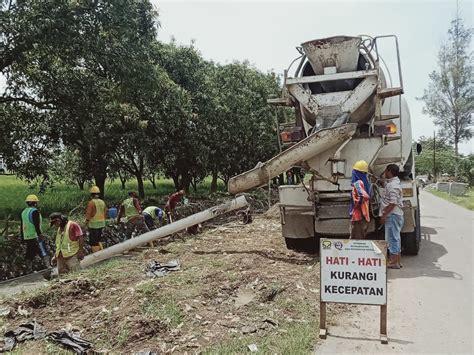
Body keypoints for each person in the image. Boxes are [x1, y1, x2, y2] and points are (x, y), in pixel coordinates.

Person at [380, 164, 404, 269]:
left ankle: (394, 262)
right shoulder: (394, 183)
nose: (384, 172)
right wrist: (382, 181)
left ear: (389, 171)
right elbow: (388, 186)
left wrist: (384, 215)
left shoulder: (393, 185)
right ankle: (397, 261)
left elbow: (393, 202)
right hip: (395, 214)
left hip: (392, 215)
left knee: (392, 238)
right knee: (396, 238)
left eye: (385, 170)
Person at [20, 194, 50, 273]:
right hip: (35, 235)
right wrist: (40, 235)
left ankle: (28, 269)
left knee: (29, 252)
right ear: (35, 203)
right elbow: (36, 225)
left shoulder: (23, 212)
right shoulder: (35, 212)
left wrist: (22, 237)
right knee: (42, 250)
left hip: (27, 236)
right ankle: (48, 267)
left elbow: (22, 225)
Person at [349, 160, 371, 239]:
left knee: (356, 239)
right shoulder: (365, 182)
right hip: (362, 215)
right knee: (358, 236)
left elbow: (363, 196)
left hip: (358, 215)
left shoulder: (358, 183)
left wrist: (356, 206)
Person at [85, 186, 107, 253]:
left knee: (93, 241)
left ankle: (96, 254)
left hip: (93, 224)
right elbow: (106, 212)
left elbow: (89, 214)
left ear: (91, 194)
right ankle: (101, 251)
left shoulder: (91, 203)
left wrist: (86, 222)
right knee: (98, 238)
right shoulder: (102, 202)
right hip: (101, 223)